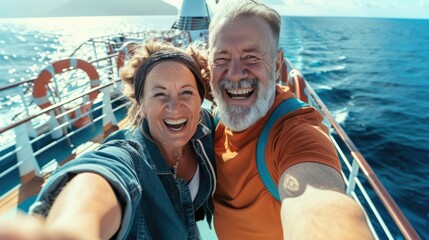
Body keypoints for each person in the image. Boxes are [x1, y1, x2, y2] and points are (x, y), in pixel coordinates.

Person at [0, 41, 216, 239]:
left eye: (186, 93)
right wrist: (71, 230)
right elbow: (101, 177)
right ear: (141, 103)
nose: (174, 106)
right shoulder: (129, 154)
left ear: (200, 98)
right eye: (159, 94)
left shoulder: (207, 128)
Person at [206, 0, 373, 239]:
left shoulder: (294, 131)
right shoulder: (213, 120)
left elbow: (316, 200)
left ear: (276, 64)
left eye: (251, 57)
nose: (234, 73)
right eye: (221, 58)